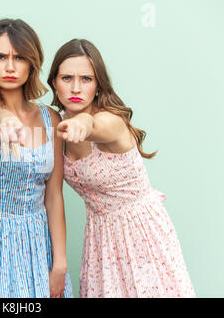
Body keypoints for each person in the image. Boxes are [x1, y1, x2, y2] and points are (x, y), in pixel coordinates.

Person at [47, 38, 195, 297]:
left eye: (87, 79)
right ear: (54, 83)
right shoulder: (57, 124)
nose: (76, 87)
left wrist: (83, 122)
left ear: (98, 85)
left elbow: (94, 125)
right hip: (100, 238)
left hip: (140, 233)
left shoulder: (111, 122)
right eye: (67, 78)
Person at [0, 18, 73, 298]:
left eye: (19, 57)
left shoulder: (51, 118)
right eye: (0, 57)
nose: (10, 67)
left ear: (32, 63)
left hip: (40, 244)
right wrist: (3, 116)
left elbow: (54, 195)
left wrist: (59, 264)